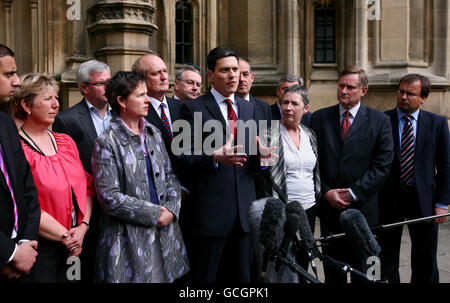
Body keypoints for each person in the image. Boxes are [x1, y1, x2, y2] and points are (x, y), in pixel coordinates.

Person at [178, 46, 273, 283]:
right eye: (225, 70)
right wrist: (213, 157)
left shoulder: (251, 108)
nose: (233, 76)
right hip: (210, 216)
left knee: (243, 281)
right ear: (210, 75)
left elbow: (259, 163)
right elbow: (181, 158)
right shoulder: (192, 108)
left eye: (236, 70)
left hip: (244, 216)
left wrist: (263, 158)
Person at [92, 71, 189, 283]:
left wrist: (171, 210)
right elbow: (109, 197)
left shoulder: (154, 132)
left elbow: (170, 176)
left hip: (166, 237)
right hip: (129, 240)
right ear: (122, 101)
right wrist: (155, 213)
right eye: (140, 95)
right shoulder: (106, 141)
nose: (147, 100)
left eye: (147, 94)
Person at [310, 66, 394, 283]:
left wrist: (353, 193)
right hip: (330, 214)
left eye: (350, 87)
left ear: (363, 90)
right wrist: (327, 192)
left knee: (367, 274)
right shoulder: (319, 118)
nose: (343, 91)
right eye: (341, 86)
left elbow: (382, 166)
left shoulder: (380, 121)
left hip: (365, 213)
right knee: (333, 274)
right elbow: (313, 163)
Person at [14, 72, 93, 282]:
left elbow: (86, 187)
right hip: (42, 249)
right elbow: (24, 204)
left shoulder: (66, 141)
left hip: (77, 243)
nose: (56, 104)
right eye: (48, 99)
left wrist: (83, 228)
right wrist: (66, 236)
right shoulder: (17, 150)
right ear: (26, 105)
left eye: (56, 98)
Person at [378, 74, 450, 283]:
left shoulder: (437, 123)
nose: (403, 97)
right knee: (386, 254)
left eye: (410, 94)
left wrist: (442, 203)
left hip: (425, 199)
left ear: (423, 98)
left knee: (425, 256)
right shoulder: (382, 120)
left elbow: (445, 165)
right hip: (389, 199)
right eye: (401, 91)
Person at [52, 59, 112, 282]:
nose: (108, 87)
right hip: (88, 208)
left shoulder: (122, 113)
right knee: (85, 267)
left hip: (119, 205)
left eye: (109, 82)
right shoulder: (66, 121)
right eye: (101, 83)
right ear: (84, 87)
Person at [269, 85, 320, 272]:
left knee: (303, 260)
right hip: (283, 207)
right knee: (281, 262)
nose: (288, 107)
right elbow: (263, 174)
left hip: (309, 207)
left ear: (305, 109)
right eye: (285, 102)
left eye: (294, 103)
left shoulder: (310, 134)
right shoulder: (270, 133)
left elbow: (315, 172)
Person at [0, 44, 40, 282]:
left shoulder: (5, 124)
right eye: (8, 74)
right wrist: (9, 254)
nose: (17, 81)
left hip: (23, 258)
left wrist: (25, 244)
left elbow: (27, 188)